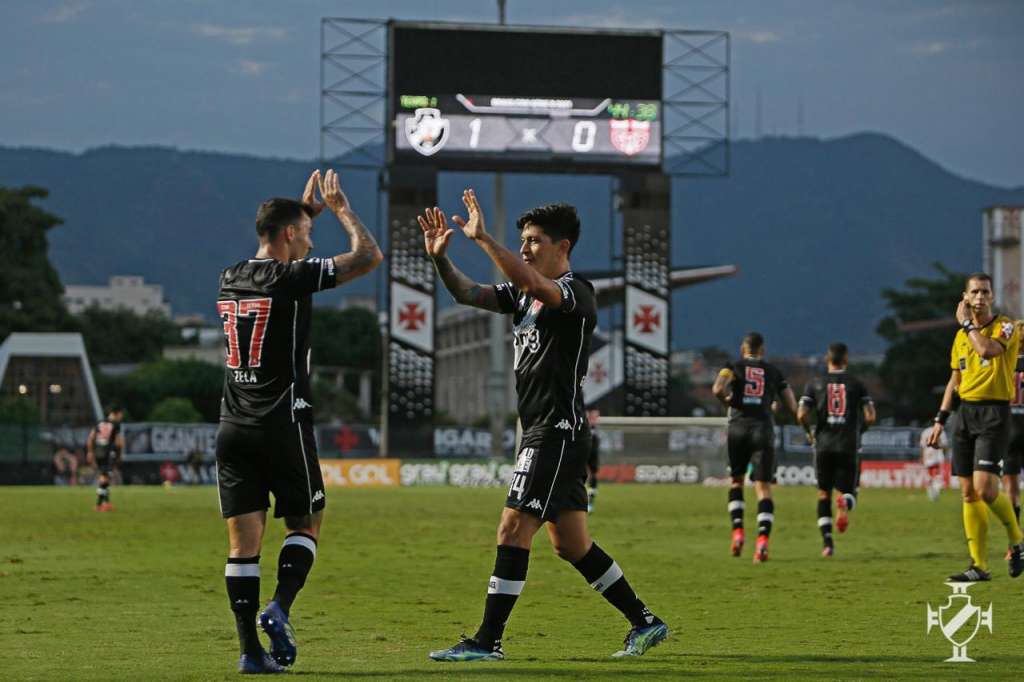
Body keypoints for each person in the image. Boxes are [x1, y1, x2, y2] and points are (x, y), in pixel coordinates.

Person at [421, 191, 667, 662]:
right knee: (571, 544)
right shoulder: (523, 296)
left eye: (533, 241)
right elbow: (467, 294)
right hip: (545, 430)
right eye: (522, 241)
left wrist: (485, 239)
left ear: (564, 247)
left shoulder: (578, 293)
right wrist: (441, 260)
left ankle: (487, 641)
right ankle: (645, 622)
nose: (526, 248)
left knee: (513, 527)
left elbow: (537, 286)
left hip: (556, 429)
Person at [214, 169, 382, 673]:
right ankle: (280, 606)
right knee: (306, 520)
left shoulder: (230, 275)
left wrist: (305, 214)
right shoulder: (292, 278)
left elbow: (283, 248)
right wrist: (343, 210)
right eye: (307, 234)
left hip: (231, 425)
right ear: (288, 235)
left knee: (243, 546)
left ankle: (249, 653)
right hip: (281, 422)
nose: (311, 243)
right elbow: (369, 257)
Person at [928, 272, 1024, 582]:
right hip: (965, 416)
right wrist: (940, 421)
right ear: (965, 297)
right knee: (968, 493)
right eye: (975, 292)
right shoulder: (959, 339)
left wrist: (968, 324)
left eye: (985, 292)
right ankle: (979, 566)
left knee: (985, 489)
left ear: (992, 297)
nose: (980, 297)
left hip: (994, 414)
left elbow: (988, 351)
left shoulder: (1007, 326)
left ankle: (1017, 540)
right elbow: (954, 382)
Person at [712, 332, 799, 563]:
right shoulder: (773, 372)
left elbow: (718, 389)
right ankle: (762, 542)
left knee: (736, 481)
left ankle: (738, 533)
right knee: (763, 488)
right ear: (763, 350)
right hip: (763, 429)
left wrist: (729, 402)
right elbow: (793, 404)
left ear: (743, 348)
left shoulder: (733, 366)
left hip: (738, 428)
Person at [797, 343, 876, 557]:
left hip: (823, 444)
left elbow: (802, 414)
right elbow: (870, 416)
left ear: (827, 359)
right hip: (848, 443)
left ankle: (827, 543)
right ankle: (846, 502)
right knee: (848, 491)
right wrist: (860, 431)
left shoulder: (815, 383)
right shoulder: (856, 384)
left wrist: (809, 432)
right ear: (846, 359)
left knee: (823, 494)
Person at [87, 406, 124, 511]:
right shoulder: (115, 425)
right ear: (116, 413)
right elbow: (118, 442)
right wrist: (120, 454)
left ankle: (107, 502)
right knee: (104, 478)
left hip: (98, 452)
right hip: (108, 452)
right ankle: (99, 505)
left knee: (105, 476)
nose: (121, 417)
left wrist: (90, 452)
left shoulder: (99, 423)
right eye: (121, 415)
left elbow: (91, 437)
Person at [920, 416, 951, 502]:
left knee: (930, 476)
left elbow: (922, 446)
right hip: (937, 457)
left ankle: (931, 494)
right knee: (937, 476)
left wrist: (922, 457)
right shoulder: (941, 431)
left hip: (928, 457)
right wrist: (946, 455)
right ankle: (934, 494)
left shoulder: (925, 432)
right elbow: (945, 445)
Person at [586, 409, 600, 512]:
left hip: (592, 452)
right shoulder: (582, 426)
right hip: (582, 449)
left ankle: (590, 501)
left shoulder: (594, 432)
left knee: (593, 474)